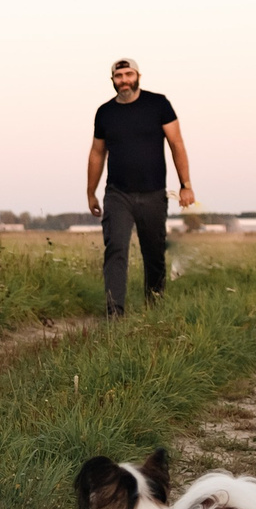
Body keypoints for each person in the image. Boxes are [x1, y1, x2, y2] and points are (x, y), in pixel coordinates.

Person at [85, 57, 196, 316]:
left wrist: (185, 185)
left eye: (128, 74)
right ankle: (114, 313)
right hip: (117, 193)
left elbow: (176, 143)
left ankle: (155, 308)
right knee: (115, 249)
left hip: (153, 193)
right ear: (112, 80)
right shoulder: (105, 112)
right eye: (119, 76)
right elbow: (96, 153)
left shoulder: (158, 104)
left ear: (138, 76)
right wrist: (90, 191)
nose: (124, 80)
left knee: (154, 253)